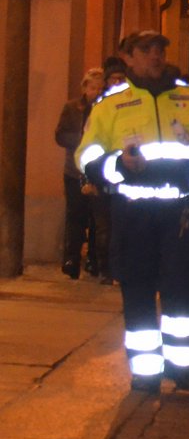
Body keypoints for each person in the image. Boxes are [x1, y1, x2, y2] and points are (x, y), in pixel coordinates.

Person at [76, 30, 189, 392]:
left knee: (182, 290)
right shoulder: (110, 105)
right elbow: (85, 156)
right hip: (133, 213)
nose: (155, 56)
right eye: (145, 50)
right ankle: (145, 373)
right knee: (137, 290)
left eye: (160, 49)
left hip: (181, 213)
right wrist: (118, 165)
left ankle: (181, 366)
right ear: (128, 58)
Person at [55, 68, 107, 280]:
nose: (95, 91)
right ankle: (71, 258)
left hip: (97, 171)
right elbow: (60, 135)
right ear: (84, 88)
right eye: (92, 87)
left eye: (99, 88)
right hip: (74, 170)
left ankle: (94, 259)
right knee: (75, 216)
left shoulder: (105, 109)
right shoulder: (71, 107)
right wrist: (81, 139)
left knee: (97, 218)